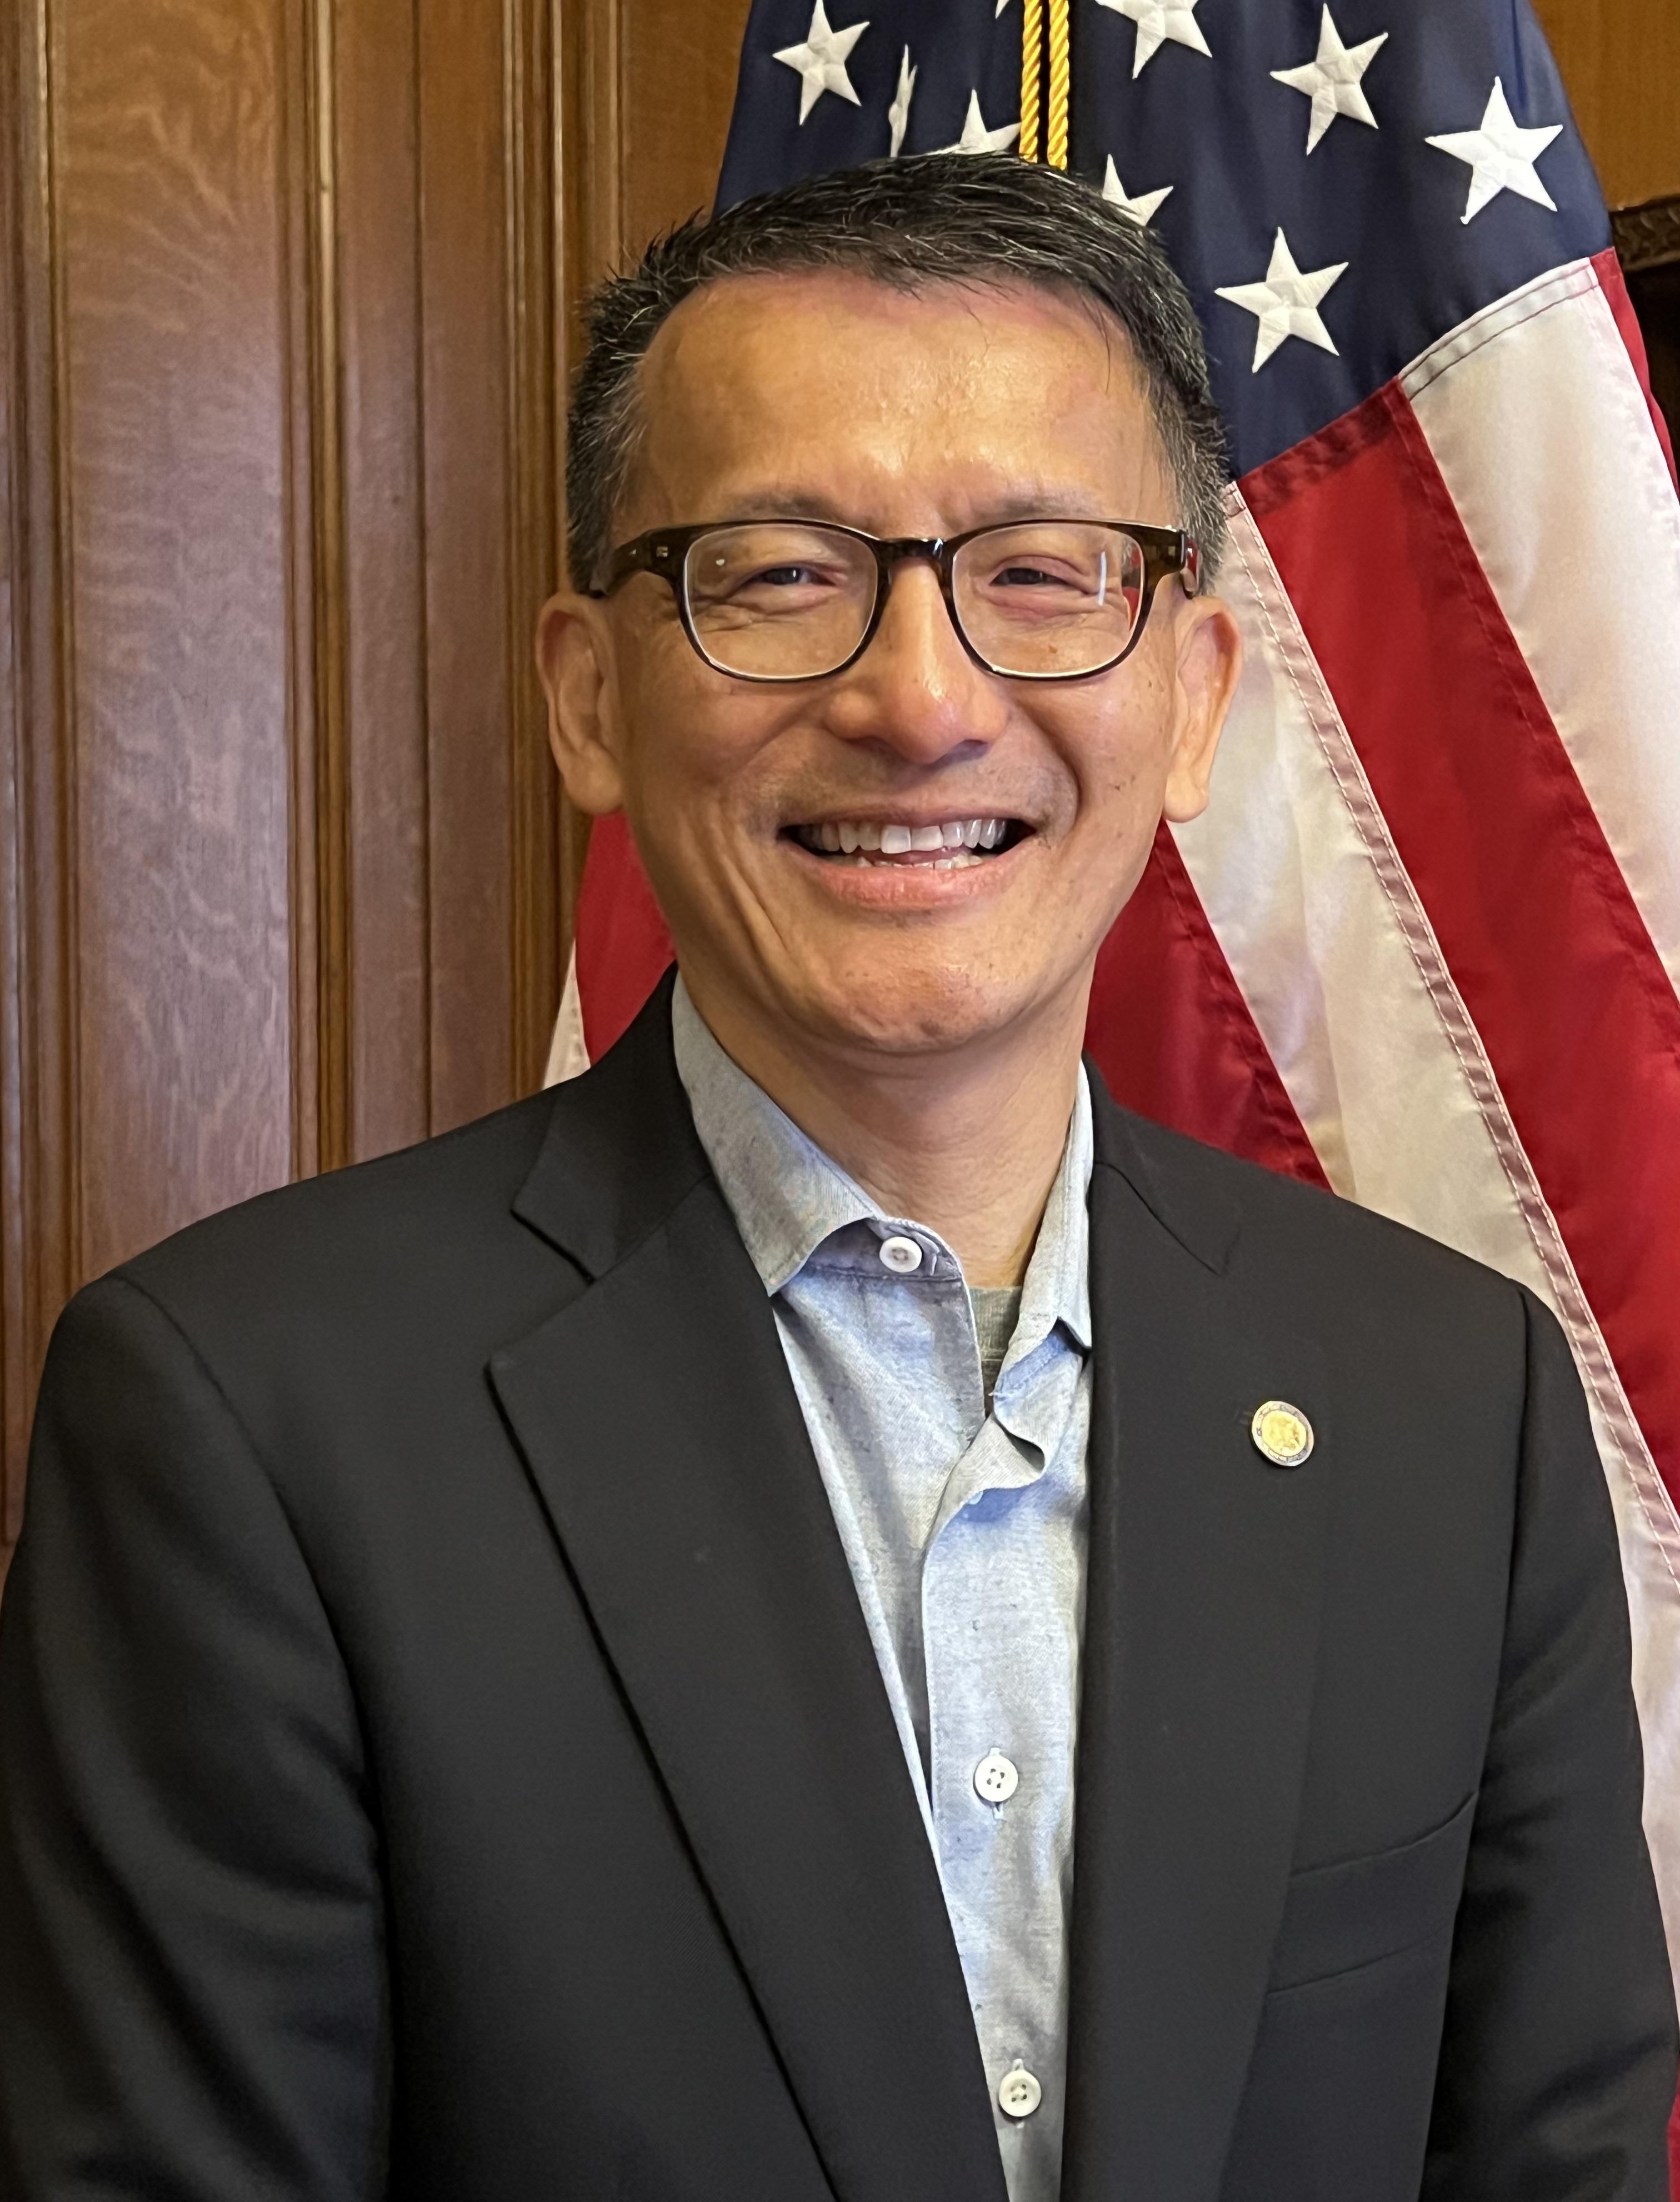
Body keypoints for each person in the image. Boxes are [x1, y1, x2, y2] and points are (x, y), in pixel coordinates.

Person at [0, 152, 1673, 2202]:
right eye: (781, 573)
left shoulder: (1457, 1408)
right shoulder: (244, 1423)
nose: (920, 698)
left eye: (1044, 574)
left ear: (1198, 698)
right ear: (590, 695)